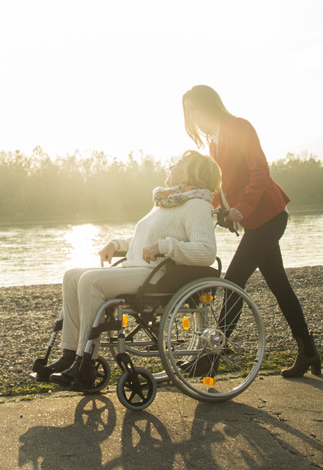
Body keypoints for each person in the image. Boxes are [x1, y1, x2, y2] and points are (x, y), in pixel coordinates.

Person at [47, 150, 222, 390]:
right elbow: (142, 240)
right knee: (72, 276)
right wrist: (116, 245)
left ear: (191, 174)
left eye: (178, 163)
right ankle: (69, 355)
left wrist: (164, 247)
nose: (171, 165)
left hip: (156, 276)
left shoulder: (196, 204)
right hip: (140, 269)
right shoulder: (168, 201)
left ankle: (85, 362)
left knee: (90, 281)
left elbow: (205, 251)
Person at [182, 85, 321, 378]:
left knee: (234, 280)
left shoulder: (238, 127)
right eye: (188, 111)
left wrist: (242, 208)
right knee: (280, 285)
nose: (192, 116)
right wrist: (216, 207)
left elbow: (260, 171)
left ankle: (213, 355)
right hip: (255, 222)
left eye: (194, 108)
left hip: (270, 215)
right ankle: (308, 352)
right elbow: (222, 185)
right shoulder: (213, 142)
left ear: (209, 105)